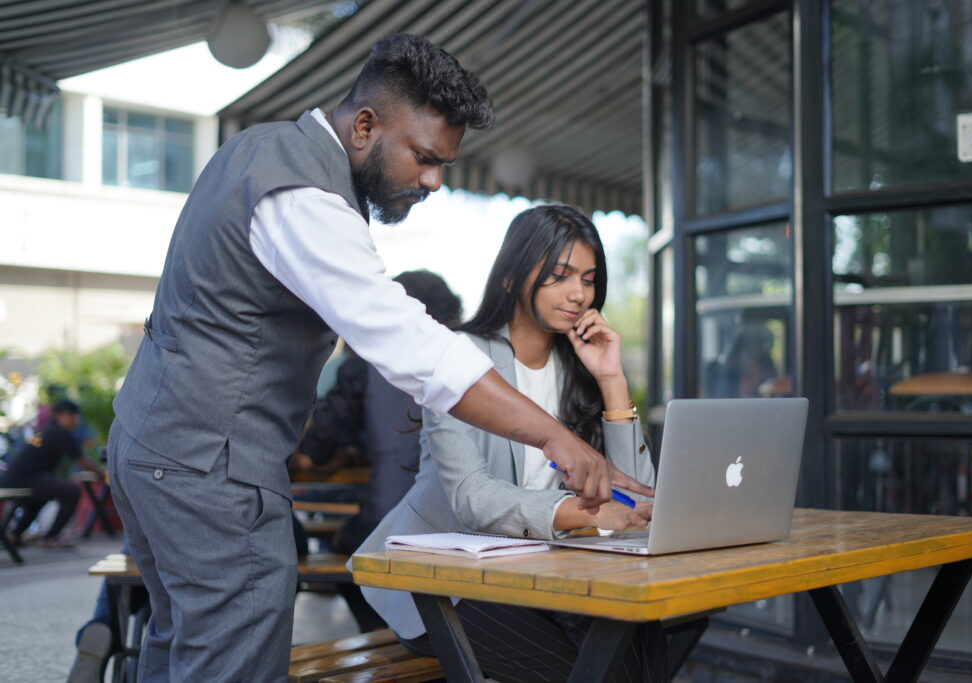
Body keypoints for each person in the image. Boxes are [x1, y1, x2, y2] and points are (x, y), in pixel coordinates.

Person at [106, 34, 653, 682]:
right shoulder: (305, 195)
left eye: (444, 163)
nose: (433, 181)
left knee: (180, 647)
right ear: (365, 125)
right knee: (232, 659)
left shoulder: (259, 152)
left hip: (156, 443)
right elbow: (410, 345)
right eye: (423, 157)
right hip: (208, 458)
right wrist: (560, 439)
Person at [357, 205, 663, 682]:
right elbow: (471, 499)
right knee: (592, 671)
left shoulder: (580, 366)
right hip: (446, 585)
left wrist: (612, 379)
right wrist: (582, 513)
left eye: (588, 278)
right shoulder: (457, 360)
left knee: (645, 646)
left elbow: (639, 500)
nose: (579, 294)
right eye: (559, 276)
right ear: (510, 278)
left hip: (548, 572)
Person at [295, 269, 462, 631]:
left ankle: (387, 639)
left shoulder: (362, 368)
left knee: (345, 549)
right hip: (460, 532)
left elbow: (313, 452)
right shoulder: (466, 367)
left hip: (389, 522)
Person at [0, 400, 104, 548]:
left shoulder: (46, 430)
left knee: (38, 498)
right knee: (71, 491)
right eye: (71, 416)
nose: (75, 421)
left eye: (75, 416)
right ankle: (51, 537)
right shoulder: (59, 432)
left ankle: (15, 535)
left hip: (15, 478)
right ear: (59, 415)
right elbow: (81, 461)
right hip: (26, 478)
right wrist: (104, 473)